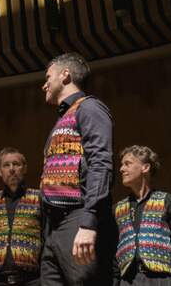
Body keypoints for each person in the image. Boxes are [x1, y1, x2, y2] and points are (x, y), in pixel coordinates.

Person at [39, 53, 114, 286]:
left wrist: (88, 222)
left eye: (47, 77)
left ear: (65, 75)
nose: (44, 85)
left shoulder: (90, 107)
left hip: (78, 219)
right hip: (54, 229)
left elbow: (101, 163)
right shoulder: (62, 119)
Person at [114, 146, 171, 286]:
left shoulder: (168, 202)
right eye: (122, 165)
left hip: (162, 280)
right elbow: (113, 258)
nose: (121, 169)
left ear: (145, 167)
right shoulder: (118, 209)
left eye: (127, 164)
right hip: (128, 281)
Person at [0, 147, 43, 286]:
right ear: (0, 171)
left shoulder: (39, 199)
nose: (11, 169)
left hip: (32, 281)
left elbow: (48, 241)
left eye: (16, 164)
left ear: (24, 168)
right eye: (6, 165)